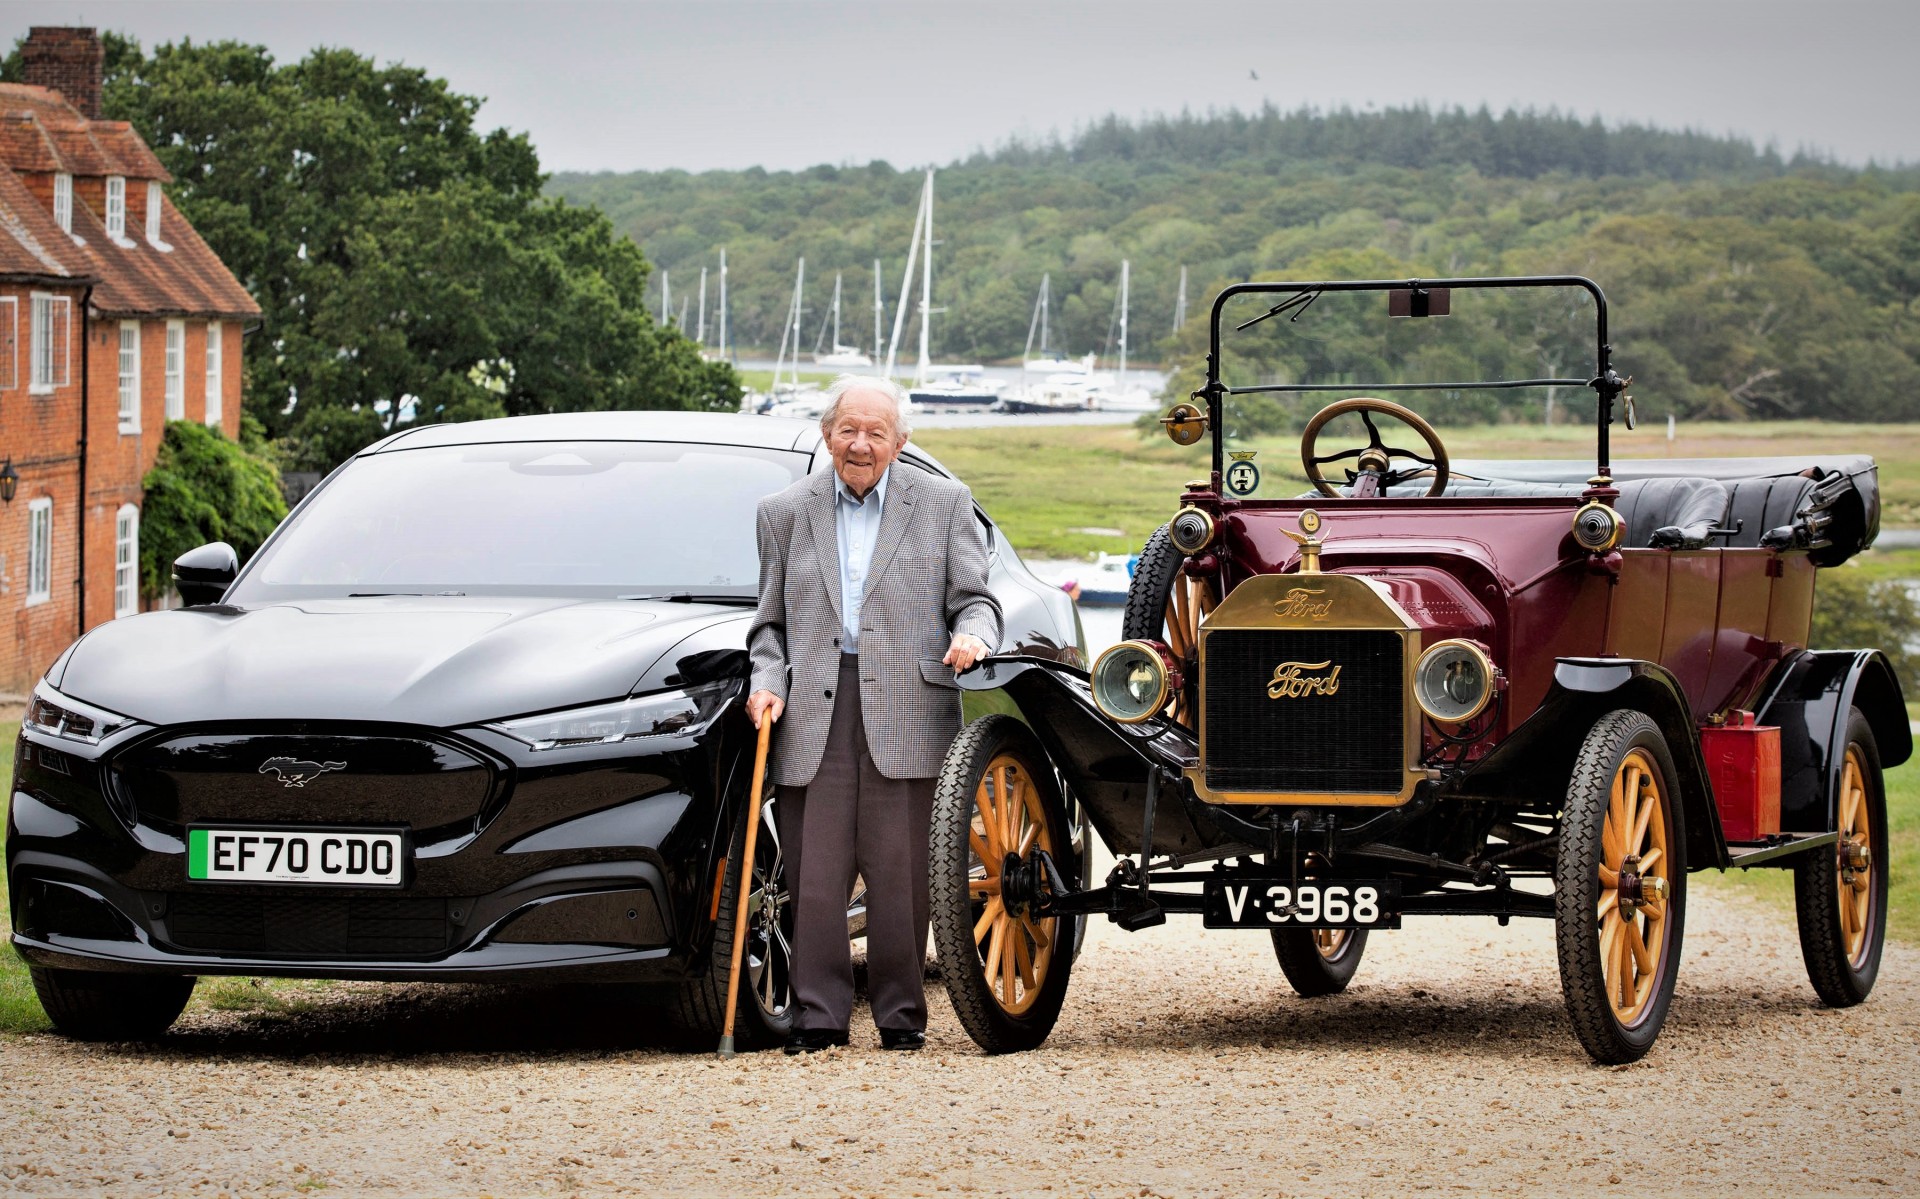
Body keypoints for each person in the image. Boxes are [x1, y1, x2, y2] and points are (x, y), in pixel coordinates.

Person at [746, 375, 1001, 1053]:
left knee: (902, 874)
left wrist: (973, 635)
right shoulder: (782, 511)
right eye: (848, 430)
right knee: (814, 875)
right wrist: (766, 680)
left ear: (900, 441)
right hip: (813, 709)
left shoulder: (945, 502)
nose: (860, 444)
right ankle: (819, 1017)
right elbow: (768, 626)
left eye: (875, 433)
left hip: (911, 707)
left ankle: (900, 1016)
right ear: (827, 433)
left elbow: (977, 601)